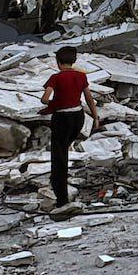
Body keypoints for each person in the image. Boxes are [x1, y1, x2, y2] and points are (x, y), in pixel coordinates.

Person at [39, 46, 99, 212]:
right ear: (74, 61)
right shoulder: (81, 76)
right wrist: (96, 117)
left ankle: (61, 199)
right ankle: (59, 183)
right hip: (78, 117)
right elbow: (88, 98)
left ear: (58, 62)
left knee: (59, 157)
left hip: (62, 119)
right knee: (64, 150)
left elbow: (45, 99)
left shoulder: (55, 77)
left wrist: (52, 104)